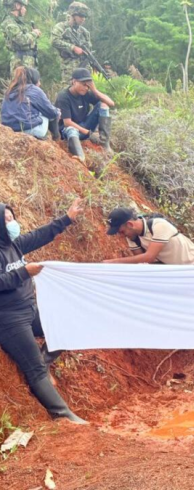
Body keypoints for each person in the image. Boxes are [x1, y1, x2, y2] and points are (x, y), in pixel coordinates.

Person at [0, 198, 87, 424]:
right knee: (35, 370)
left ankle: (43, 360)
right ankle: (63, 415)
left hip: (30, 309)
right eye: (6, 219)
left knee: (67, 327)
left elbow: (40, 235)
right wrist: (24, 273)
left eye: (12, 218)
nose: (12, 223)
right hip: (9, 320)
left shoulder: (14, 244)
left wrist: (67, 219)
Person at [55, 68, 115, 161]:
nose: (86, 88)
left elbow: (111, 103)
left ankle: (104, 143)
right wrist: (89, 133)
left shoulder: (85, 93)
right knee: (71, 129)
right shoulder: (63, 96)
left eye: (88, 86)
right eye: (83, 84)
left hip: (84, 126)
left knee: (102, 104)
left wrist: (94, 90)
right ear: (74, 82)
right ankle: (80, 157)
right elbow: (67, 123)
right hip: (69, 131)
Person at [2, 67, 59, 140]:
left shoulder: (10, 90)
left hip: (9, 130)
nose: (40, 83)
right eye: (39, 80)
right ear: (34, 80)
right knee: (49, 112)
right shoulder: (35, 90)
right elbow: (51, 112)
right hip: (29, 130)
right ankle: (56, 139)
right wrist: (57, 112)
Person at [51, 2, 92, 84]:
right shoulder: (61, 27)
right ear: (72, 16)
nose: (83, 19)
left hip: (84, 67)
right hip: (69, 68)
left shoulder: (84, 32)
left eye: (84, 17)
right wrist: (72, 47)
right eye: (80, 16)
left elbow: (89, 47)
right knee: (69, 91)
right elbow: (54, 40)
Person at [1, 0, 39, 72]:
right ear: (17, 6)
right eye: (23, 6)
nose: (25, 9)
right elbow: (21, 40)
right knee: (22, 83)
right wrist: (34, 34)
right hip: (21, 63)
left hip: (27, 61)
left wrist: (32, 34)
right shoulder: (9, 23)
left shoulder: (18, 23)